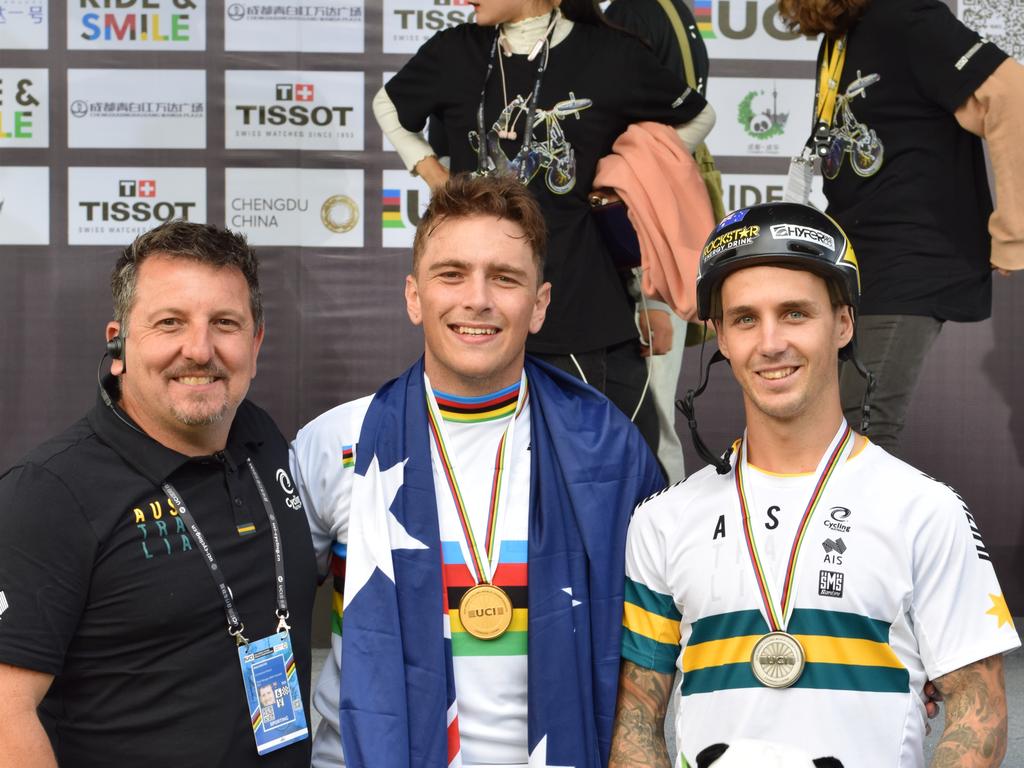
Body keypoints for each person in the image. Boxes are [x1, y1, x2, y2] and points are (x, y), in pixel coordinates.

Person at [608, 203, 1020, 767]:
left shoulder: (926, 510)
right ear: (722, 337)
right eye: (746, 318)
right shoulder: (663, 520)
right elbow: (634, 716)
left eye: (795, 313)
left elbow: (981, 712)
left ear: (844, 323)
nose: (771, 342)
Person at [291, 173, 665, 767]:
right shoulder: (336, 443)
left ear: (539, 305)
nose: (478, 299)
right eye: (452, 274)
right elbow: (261, 622)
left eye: (505, 277)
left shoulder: (609, 448)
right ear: (415, 296)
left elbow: (660, 635)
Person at [0, 221, 317, 768]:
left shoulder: (262, 439)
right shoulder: (49, 492)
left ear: (256, 341)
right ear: (118, 345)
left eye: (225, 323)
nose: (200, 350)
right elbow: (7, 714)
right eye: (170, 323)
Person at [373, 0, 716, 455]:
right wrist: (440, 181)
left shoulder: (609, 54)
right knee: (487, 469)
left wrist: (627, 177)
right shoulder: (455, 51)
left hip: (583, 311)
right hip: (483, 320)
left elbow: (697, 115)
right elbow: (388, 105)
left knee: (601, 472)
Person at [778, 0, 1024, 454]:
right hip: (857, 259)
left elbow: (1010, 93)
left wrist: (1012, 233)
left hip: (912, 255)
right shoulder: (845, 31)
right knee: (837, 432)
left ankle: (853, 527)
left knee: (861, 433)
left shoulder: (906, 14)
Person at [605, 0, 714, 481]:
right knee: (651, 417)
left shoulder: (634, 13)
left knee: (647, 420)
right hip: (654, 245)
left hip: (641, 250)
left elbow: (641, 153)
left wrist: (646, 291)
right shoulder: (665, 9)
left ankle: (655, 546)